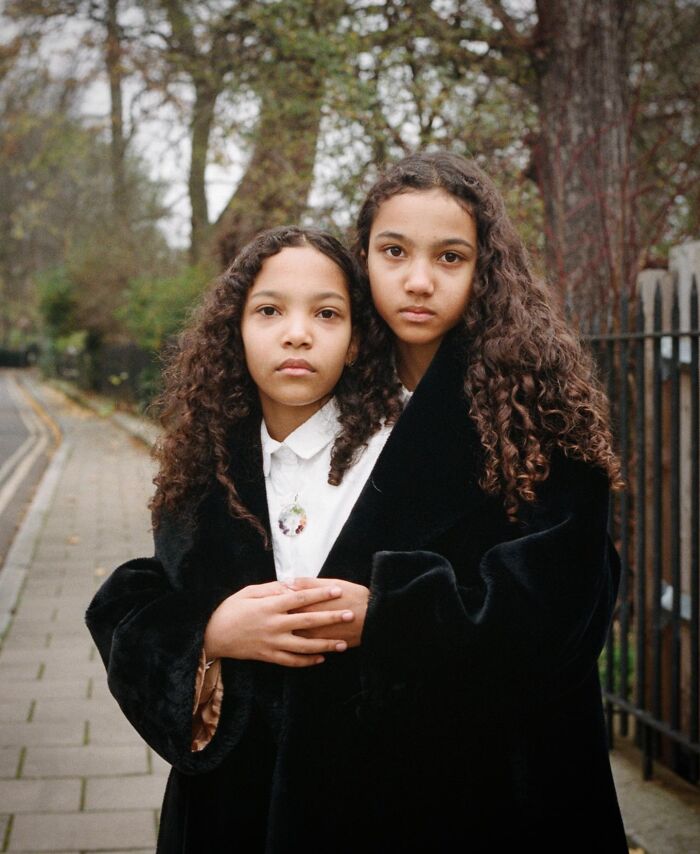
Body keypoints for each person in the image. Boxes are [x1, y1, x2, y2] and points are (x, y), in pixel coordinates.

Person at [286, 151, 629, 850]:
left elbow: (563, 608)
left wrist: (392, 615)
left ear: (485, 270)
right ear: (363, 259)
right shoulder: (327, 393)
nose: (419, 281)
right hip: (353, 783)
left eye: (450, 257)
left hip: (506, 782)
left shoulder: (539, 408)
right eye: (394, 252)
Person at [85, 225, 403, 851]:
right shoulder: (202, 466)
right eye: (269, 310)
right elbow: (147, 607)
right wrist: (211, 632)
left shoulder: (393, 453)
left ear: (358, 337)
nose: (297, 332)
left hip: (372, 795)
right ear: (235, 327)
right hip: (233, 806)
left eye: (327, 313)